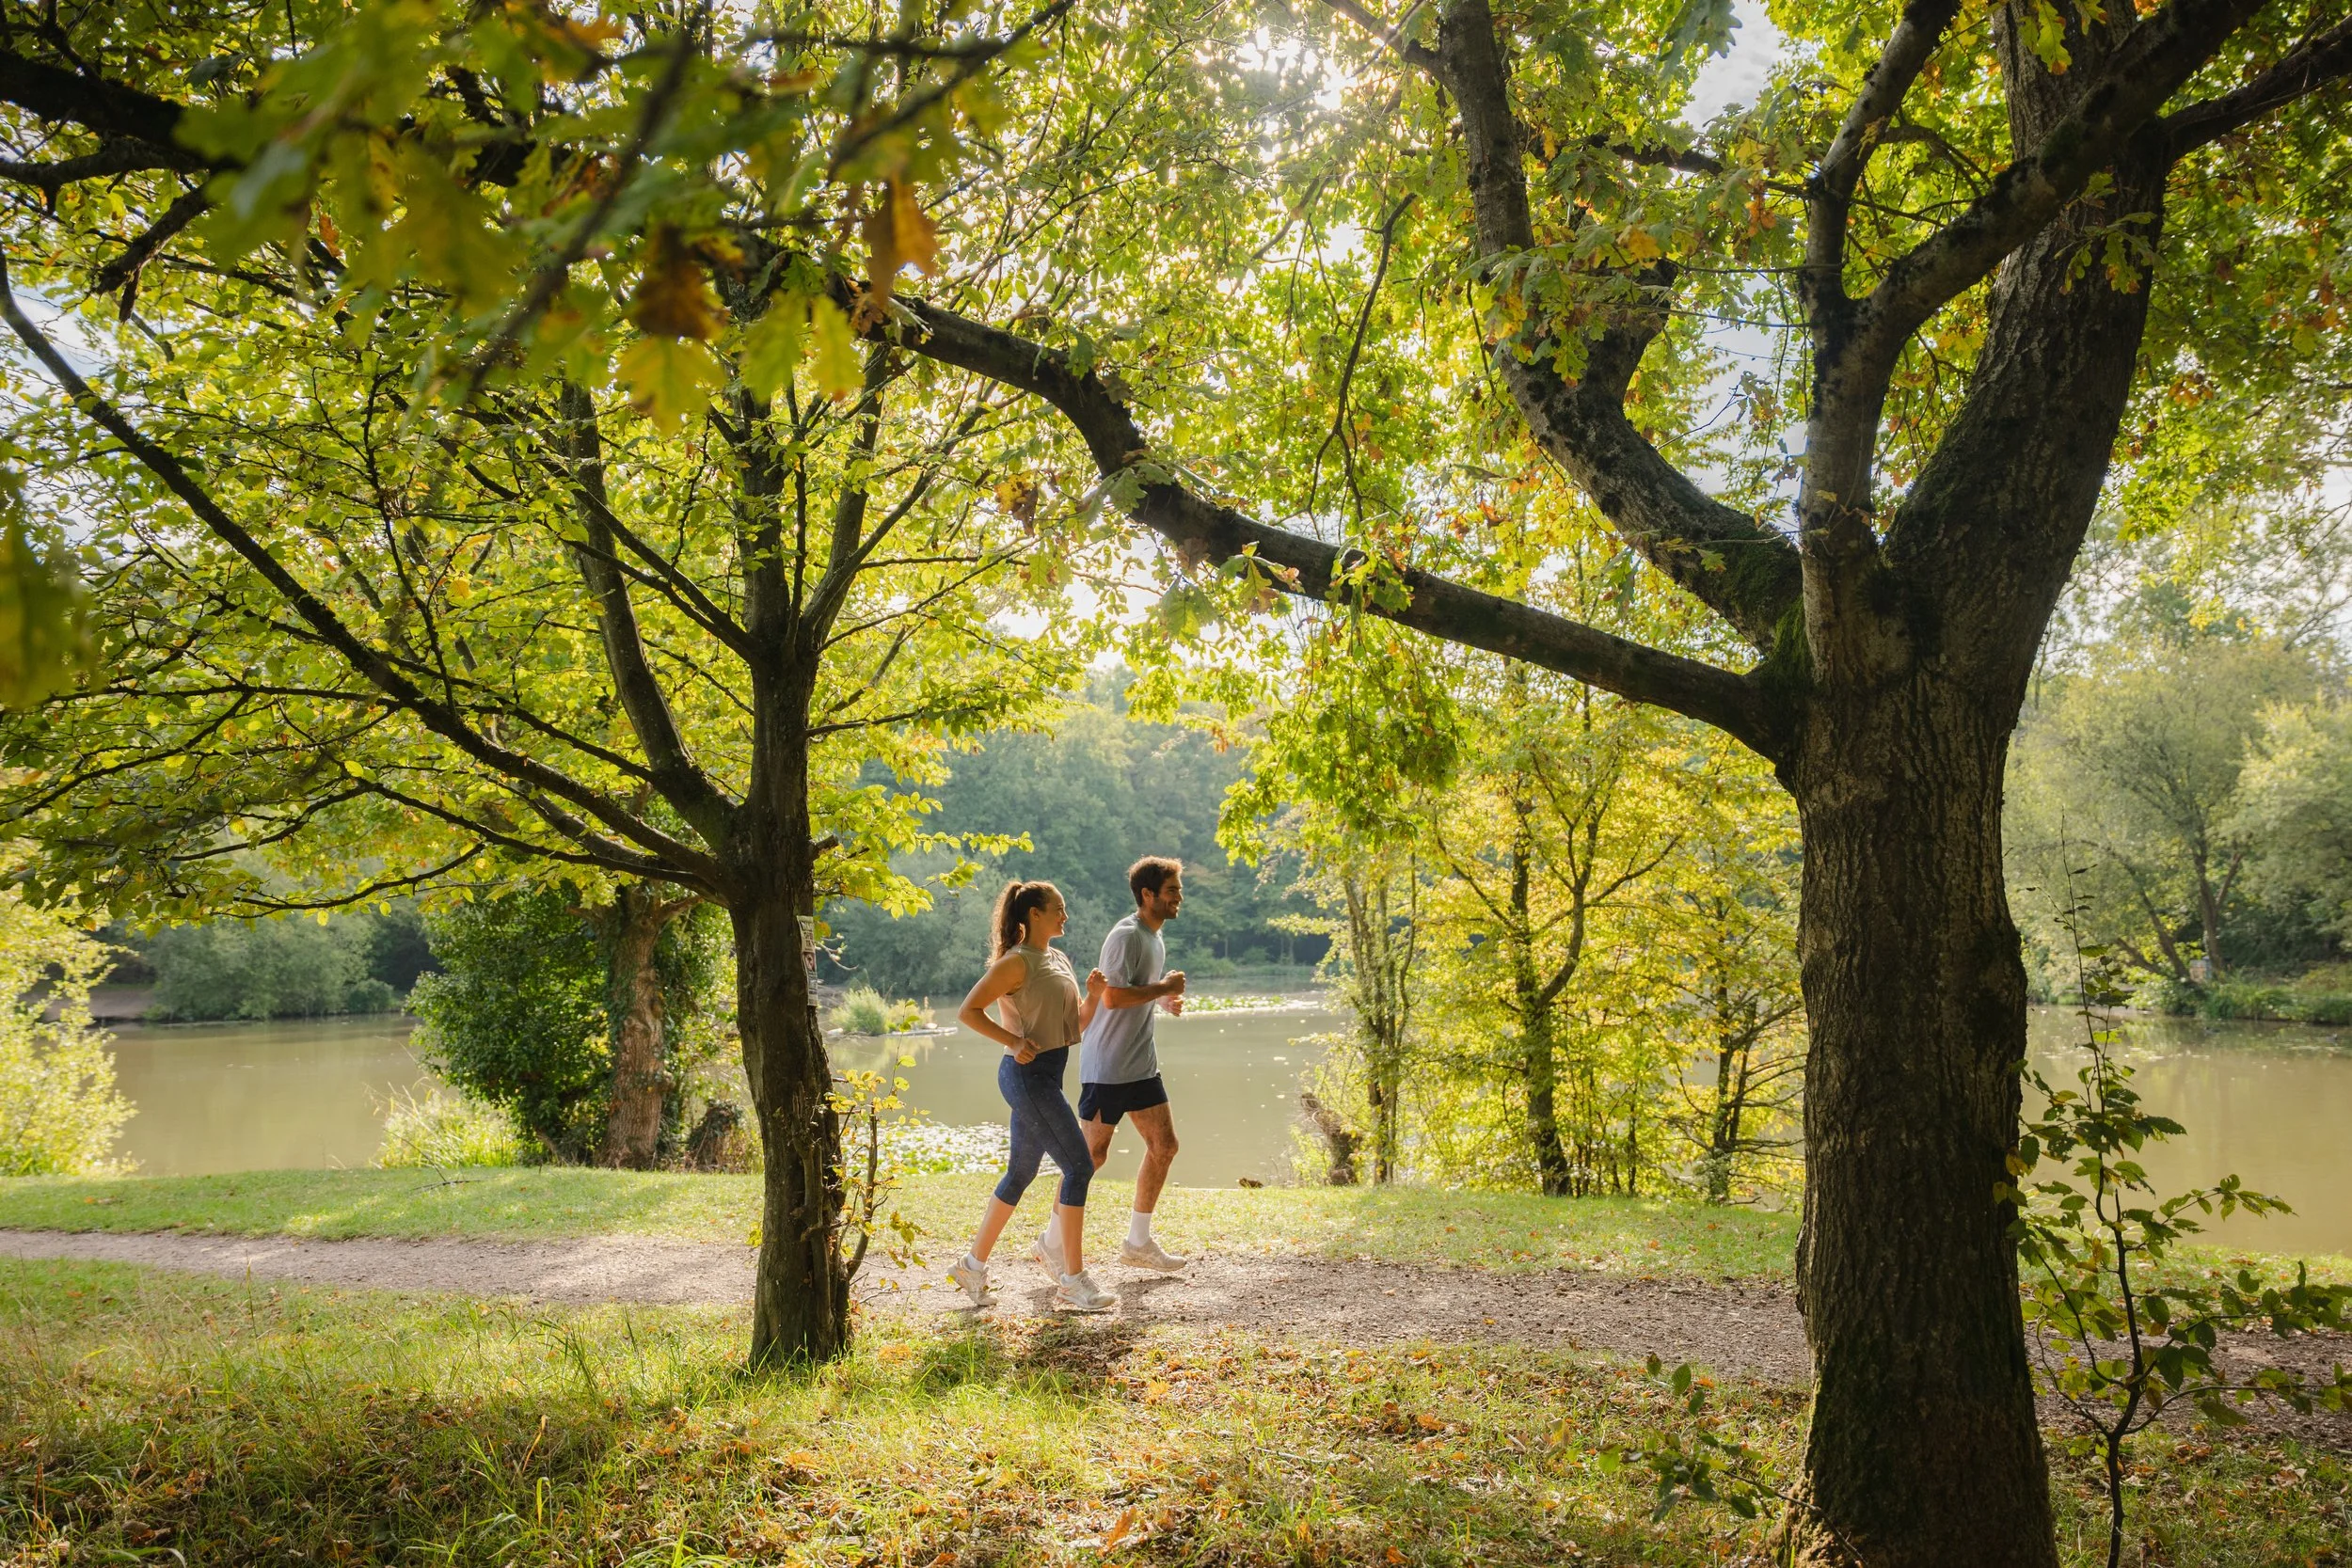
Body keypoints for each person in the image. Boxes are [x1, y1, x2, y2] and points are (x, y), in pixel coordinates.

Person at [946, 879, 1119, 1314]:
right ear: (1034, 915)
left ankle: (971, 1265)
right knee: (1079, 1166)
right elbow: (968, 1011)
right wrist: (1011, 1039)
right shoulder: (1015, 963)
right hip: (1025, 1076)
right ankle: (1073, 1283)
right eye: (1058, 908)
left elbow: (1072, 1027)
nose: (1065, 914)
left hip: (1048, 1076)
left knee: (1020, 1174)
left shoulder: (1058, 959)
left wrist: (1094, 997)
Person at [1036, 855, 1190, 1276]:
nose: (1179, 897)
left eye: (1178, 889)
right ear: (1148, 894)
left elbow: (1135, 991)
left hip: (1141, 1064)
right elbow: (1113, 997)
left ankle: (1137, 1242)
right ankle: (1050, 1242)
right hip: (1107, 1067)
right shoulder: (1126, 937)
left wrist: (1163, 999)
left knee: (1165, 1146)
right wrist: (1164, 986)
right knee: (1090, 1156)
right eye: (1172, 890)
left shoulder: (1154, 938)